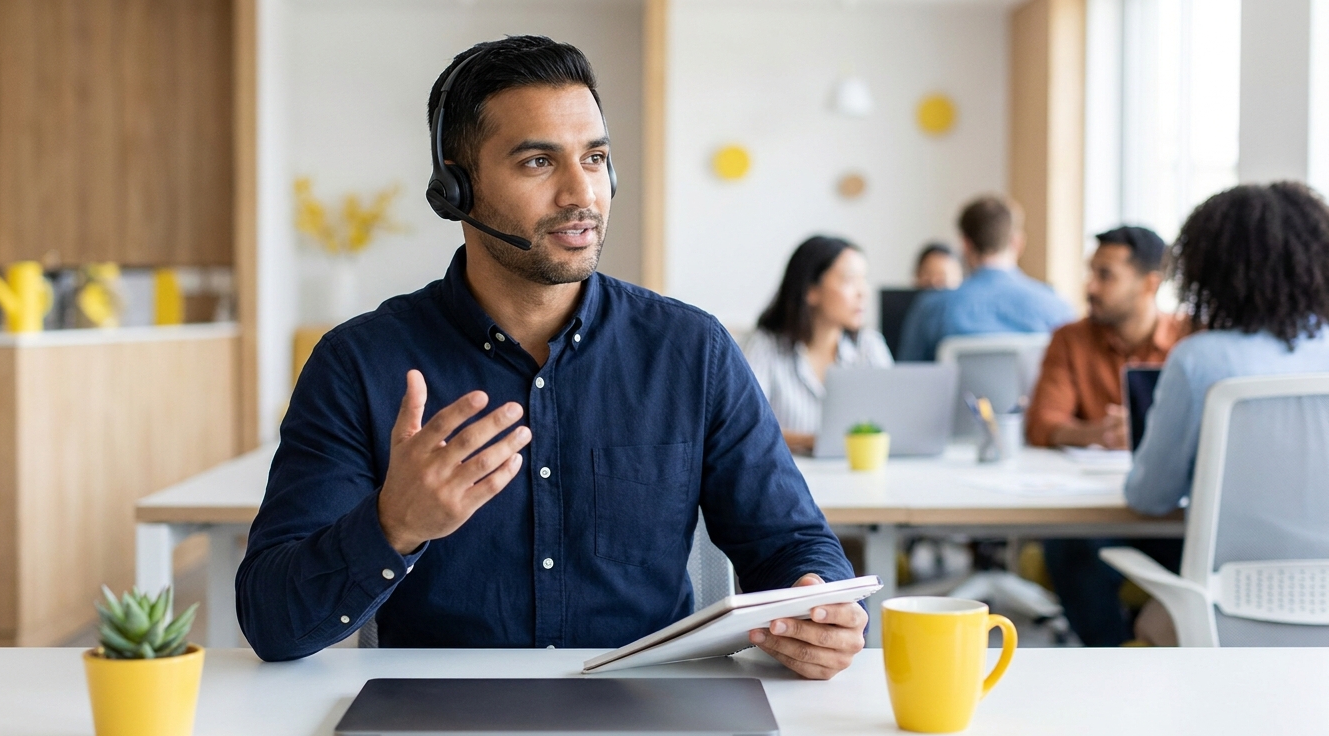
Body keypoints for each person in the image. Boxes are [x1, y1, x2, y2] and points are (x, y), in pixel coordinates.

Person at [236, 36, 866, 679]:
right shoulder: (359, 363)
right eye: (539, 161)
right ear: (456, 188)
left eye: (595, 158)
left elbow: (791, 544)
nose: (581, 193)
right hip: (441, 722)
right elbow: (271, 623)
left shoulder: (692, 352)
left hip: (651, 715)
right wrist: (392, 525)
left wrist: (821, 606)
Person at [1046, 182, 1329, 647]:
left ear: (1212, 272)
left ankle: (1113, 672)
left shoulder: (1200, 360)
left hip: (1225, 613)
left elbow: (1150, 497)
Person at [1026, 226, 1187, 448]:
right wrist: (1099, 434)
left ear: (1151, 284)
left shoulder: (1189, 340)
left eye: (1105, 275)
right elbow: (1041, 424)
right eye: (1090, 272)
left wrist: (1148, 430)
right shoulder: (1069, 339)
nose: (1090, 287)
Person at [742, 236, 893, 455]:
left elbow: (893, 421)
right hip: (785, 480)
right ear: (811, 290)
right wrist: (816, 441)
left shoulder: (870, 346)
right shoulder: (763, 347)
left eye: (864, 280)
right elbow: (745, 427)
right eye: (850, 280)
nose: (863, 292)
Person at [897, 195, 1074, 362]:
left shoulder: (932, 309)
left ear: (966, 244)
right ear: (1017, 242)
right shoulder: (1058, 309)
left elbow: (908, 380)